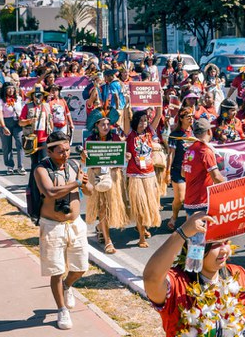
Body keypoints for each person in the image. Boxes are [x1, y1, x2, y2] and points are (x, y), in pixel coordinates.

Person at [144, 212, 245, 336]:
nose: (224, 249)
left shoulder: (237, 276)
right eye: (216, 244)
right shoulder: (178, 284)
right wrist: (183, 232)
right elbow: (151, 279)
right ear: (196, 248)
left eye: (225, 242)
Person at [33, 131, 94, 331]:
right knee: (56, 270)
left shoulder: (75, 165)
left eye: (68, 150)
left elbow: (89, 190)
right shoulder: (41, 169)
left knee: (81, 267)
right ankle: (61, 309)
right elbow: (50, 192)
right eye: (61, 151)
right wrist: (76, 183)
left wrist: (86, 184)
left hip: (75, 224)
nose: (66, 154)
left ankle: (68, 286)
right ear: (50, 152)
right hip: (52, 226)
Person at [83, 108, 129, 254]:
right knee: (102, 207)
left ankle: (100, 228)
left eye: (108, 124)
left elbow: (121, 155)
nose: (106, 127)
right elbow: (85, 160)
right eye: (102, 124)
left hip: (113, 177)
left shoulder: (115, 138)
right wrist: (84, 155)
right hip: (97, 177)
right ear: (96, 126)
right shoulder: (90, 140)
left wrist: (125, 156)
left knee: (110, 207)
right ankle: (108, 241)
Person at [126, 109, 163, 248]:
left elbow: (159, 115)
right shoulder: (130, 133)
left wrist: (158, 97)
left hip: (150, 175)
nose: (143, 123)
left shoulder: (149, 133)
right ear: (135, 122)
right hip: (136, 176)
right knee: (140, 207)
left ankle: (141, 227)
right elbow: (125, 117)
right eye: (140, 120)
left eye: (145, 120)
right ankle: (141, 237)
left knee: (149, 205)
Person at [182, 118, 225, 215]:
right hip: (202, 202)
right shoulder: (205, 151)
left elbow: (183, 173)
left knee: (192, 229)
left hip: (190, 200)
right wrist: (231, 187)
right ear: (209, 131)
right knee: (203, 230)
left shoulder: (189, 149)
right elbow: (216, 177)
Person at [166, 107, 194, 230]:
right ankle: (174, 217)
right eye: (188, 116)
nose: (191, 118)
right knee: (180, 198)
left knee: (192, 197)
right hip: (178, 170)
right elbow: (171, 154)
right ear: (181, 119)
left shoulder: (195, 132)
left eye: (192, 116)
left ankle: (189, 220)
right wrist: (167, 172)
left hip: (193, 170)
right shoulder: (175, 135)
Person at [19, 85, 53, 170]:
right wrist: (29, 121)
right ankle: (33, 182)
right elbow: (20, 122)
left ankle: (42, 181)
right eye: (36, 94)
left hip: (44, 139)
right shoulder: (27, 107)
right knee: (34, 163)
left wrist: (51, 136)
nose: (38, 97)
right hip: (31, 138)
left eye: (40, 94)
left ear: (43, 96)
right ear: (32, 96)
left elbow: (50, 121)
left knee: (44, 161)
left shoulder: (47, 106)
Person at [0, 81, 26, 175]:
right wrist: (4, 126)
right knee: (7, 146)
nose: (11, 90)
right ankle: (10, 166)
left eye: (12, 88)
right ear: (4, 90)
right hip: (5, 123)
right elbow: (0, 114)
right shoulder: (0, 100)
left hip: (17, 123)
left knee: (20, 143)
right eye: (9, 88)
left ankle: (20, 166)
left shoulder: (18, 99)